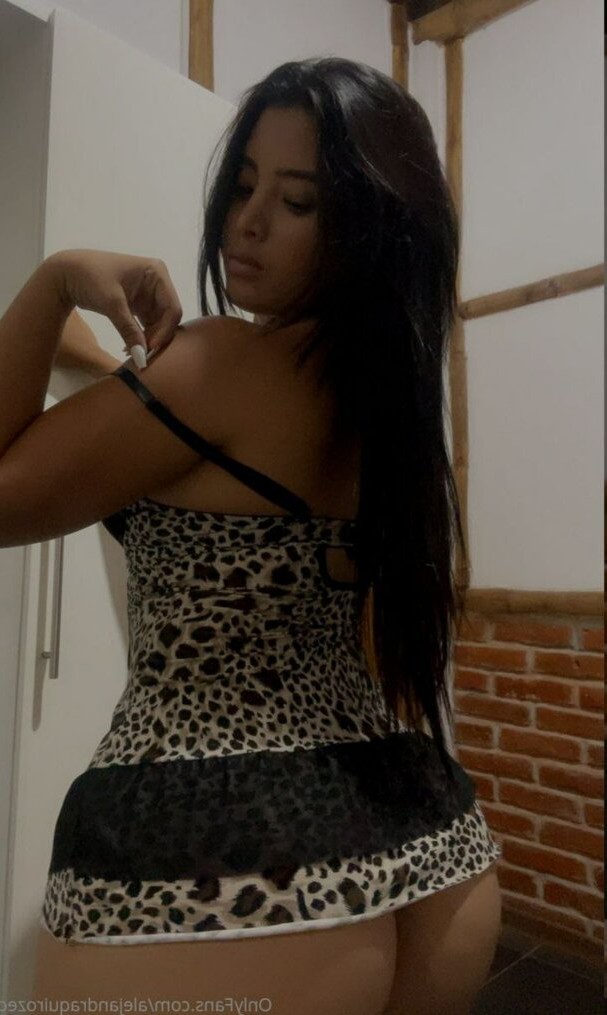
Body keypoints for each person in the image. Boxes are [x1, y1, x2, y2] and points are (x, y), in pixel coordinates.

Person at [0, 56, 503, 1013]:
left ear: (369, 226)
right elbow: (153, 421)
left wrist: (54, 279)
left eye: (298, 201)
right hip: (426, 845)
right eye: (241, 186)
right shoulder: (381, 400)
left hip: (228, 866)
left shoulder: (220, 363)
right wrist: (97, 355)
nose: (248, 222)